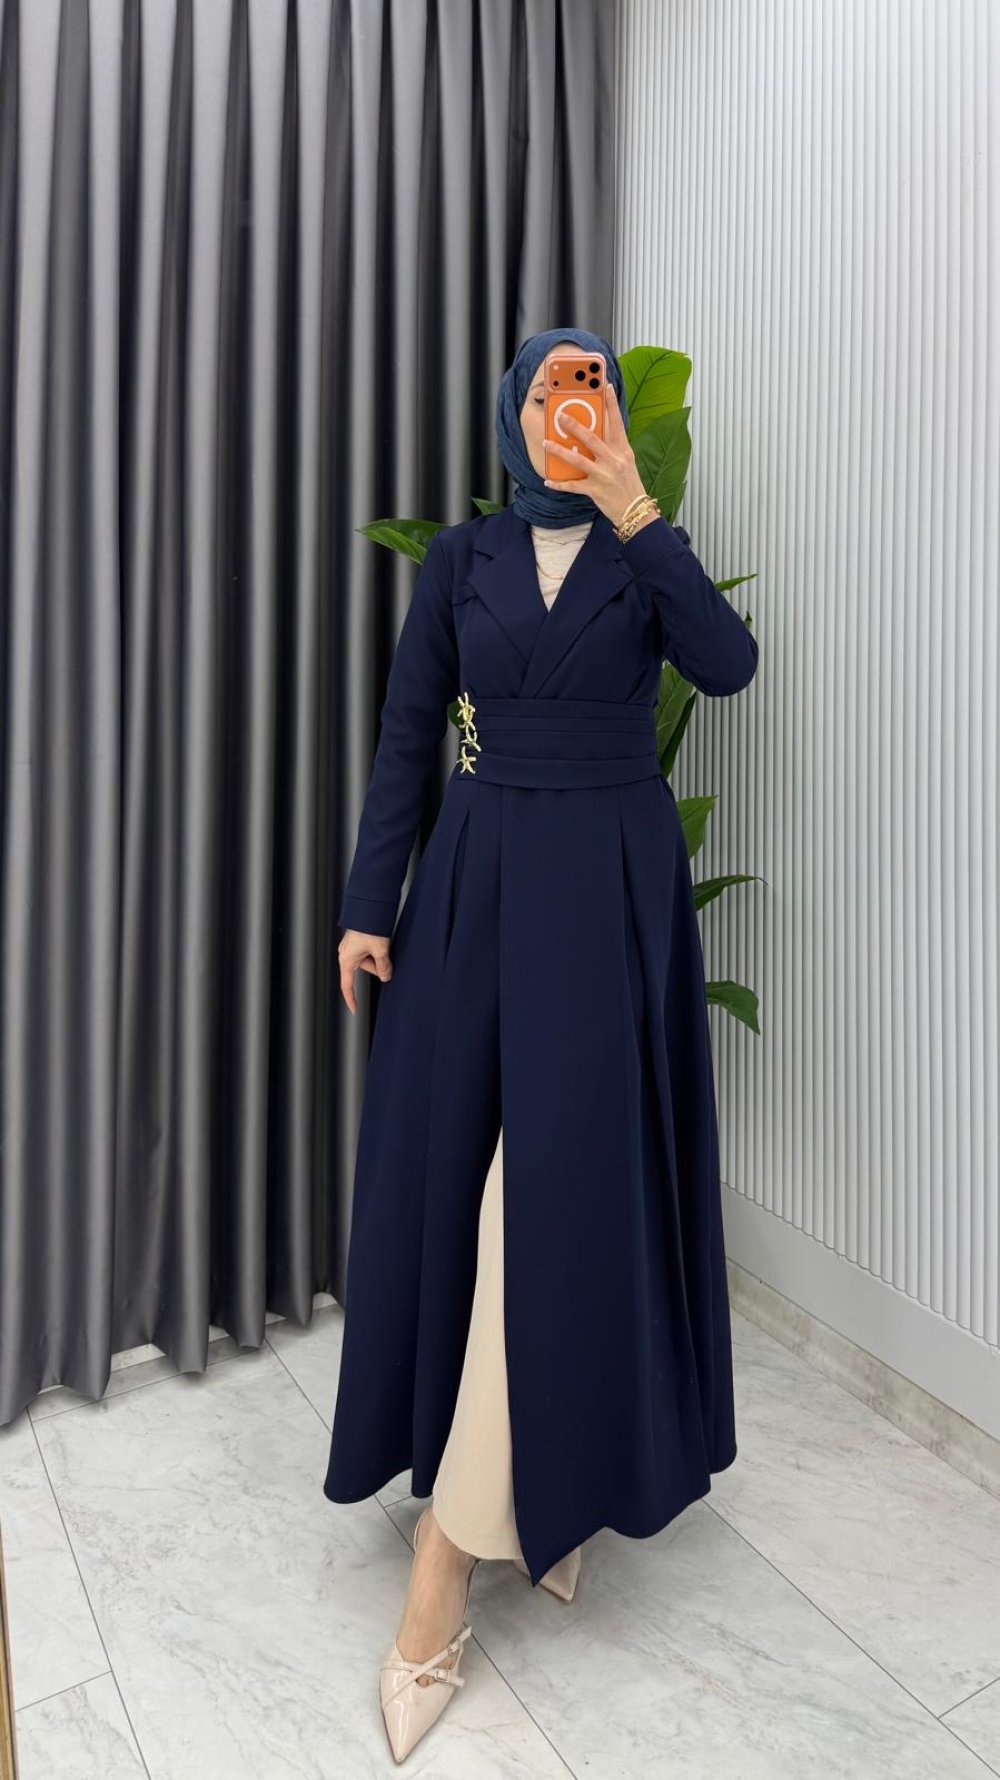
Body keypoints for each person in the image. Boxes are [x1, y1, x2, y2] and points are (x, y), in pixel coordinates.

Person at [327, 328, 759, 1764]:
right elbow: (408, 736)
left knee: (553, 1202)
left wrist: (638, 507)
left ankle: (448, 1561)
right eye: (551, 387)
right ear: (515, 412)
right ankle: (537, 1500)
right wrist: (368, 905)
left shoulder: (645, 552)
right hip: (476, 885)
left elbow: (729, 666)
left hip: (611, 898)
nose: (573, 405)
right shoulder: (463, 561)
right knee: (474, 1193)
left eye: (594, 384)